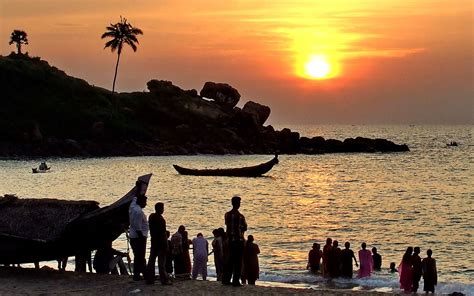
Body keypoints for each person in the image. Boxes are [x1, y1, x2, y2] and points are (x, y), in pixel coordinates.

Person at [223, 195, 247, 287]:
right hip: (238, 240)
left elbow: (227, 226)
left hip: (230, 240)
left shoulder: (227, 215)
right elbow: (245, 227)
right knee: (238, 262)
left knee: (230, 260)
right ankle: (235, 281)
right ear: (238, 204)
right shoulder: (240, 216)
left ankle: (226, 279)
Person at [145, 202, 171, 285]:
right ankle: (164, 279)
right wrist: (166, 244)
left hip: (154, 241)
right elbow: (162, 233)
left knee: (151, 261)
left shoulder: (151, 216)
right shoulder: (161, 219)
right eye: (162, 208)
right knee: (161, 262)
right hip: (161, 243)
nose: (163, 210)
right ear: (160, 209)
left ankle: (149, 278)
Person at [128, 184, 148, 281]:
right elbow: (138, 228)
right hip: (138, 238)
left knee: (139, 257)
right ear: (141, 202)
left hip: (133, 236)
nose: (146, 204)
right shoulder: (138, 212)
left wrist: (138, 188)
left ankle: (143, 273)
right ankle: (137, 275)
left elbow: (135, 197)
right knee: (139, 257)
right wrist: (142, 240)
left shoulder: (133, 205)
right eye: (145, 202)